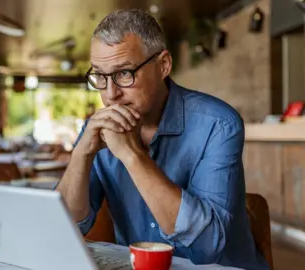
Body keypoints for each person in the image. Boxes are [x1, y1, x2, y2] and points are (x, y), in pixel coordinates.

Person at [55, 9, 269, 270]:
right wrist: (81, 155)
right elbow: (64, 227)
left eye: (124, 73)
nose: (110, 94)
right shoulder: (97, 129)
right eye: (99, 75)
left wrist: (132, 156)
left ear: (163, 65)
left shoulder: (217, 123)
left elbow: (207, 247)